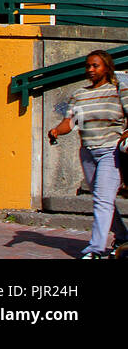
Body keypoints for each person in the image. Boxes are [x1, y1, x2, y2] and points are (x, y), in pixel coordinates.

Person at [48, 50, 128, 258]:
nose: (90, 70)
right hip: (87, 153)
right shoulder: (79, 94)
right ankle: (122, 236)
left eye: (96, 66)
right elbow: (71, 122)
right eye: (88, 66)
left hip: (110, 152)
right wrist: (57, 130)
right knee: (102, 199)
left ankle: (96, 249)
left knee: (102, 200)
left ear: (107, 68)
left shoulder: (118, 91)